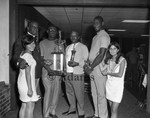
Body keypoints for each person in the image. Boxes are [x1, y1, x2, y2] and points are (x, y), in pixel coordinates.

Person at [84, 16, 110, 118]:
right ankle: (97, 114)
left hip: (99, 68)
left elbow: (101, 55)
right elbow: (94, 53)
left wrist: (91, 67)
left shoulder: (104, 36)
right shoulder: (95, 37)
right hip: (93, 66)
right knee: (94, 92)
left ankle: (103, 116)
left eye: (98, 23)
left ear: (102, 23)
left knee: (101, 94)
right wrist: (88, 64)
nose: (95, 25)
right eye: (94, 23)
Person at [62, 31, 89, 118]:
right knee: (69, 92)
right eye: (71, 36)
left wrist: (77, 64)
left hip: (77, 73)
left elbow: (86, 61)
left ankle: (81, 112)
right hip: (68, 73)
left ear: (78, 37)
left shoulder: (83, 47)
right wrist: (64, 70)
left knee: (79, 93)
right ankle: (72, 109)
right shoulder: (68, 47)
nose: (73, 37)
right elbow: (65, 60)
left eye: (75, 36)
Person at [39, 25, 64, 118]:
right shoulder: (42, 43)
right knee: (48, 92)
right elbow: (41, 59)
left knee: (56, 92)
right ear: (47, 31)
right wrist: (49, 70)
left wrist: (63, 70)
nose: (52, 31)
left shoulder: (60, 43)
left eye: (54, 30)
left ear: (56, 32)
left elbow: (62, 57)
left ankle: (52, 111)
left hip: (57, 71)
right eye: (50, 30)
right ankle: (45, 114)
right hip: (46, 70)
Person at [100, 42, 127, 118]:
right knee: (111, 109)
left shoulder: (122, 60)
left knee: (114, 110)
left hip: (117, 87)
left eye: (114, 48)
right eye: (111, 48)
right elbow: (103, 70)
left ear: (118, 49)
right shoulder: (109, 60)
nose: (112, 50)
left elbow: (120, 74)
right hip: (109, 86)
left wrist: (108, 73)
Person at [13, 21, 42, 90]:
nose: (35, 29)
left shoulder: (35, 39)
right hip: (28, 73)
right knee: (28, 96)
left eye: (37, 28)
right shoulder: (22, 39)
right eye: (33, 27)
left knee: (33, 97)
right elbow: (15, 56)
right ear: (28, 28)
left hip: (36, 73)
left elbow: (35, 56)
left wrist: (43, 61)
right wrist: (20, 61)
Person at [17, 34, 40, 118]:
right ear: (24, 44)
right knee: (30, 107)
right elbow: (28, 73)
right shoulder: (28, 56)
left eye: (33, 43)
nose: (32, 45)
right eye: (29, 44)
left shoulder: (22, 54)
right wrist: (30, 89)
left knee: (24, 106)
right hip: (27, 84)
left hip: (22, 82)